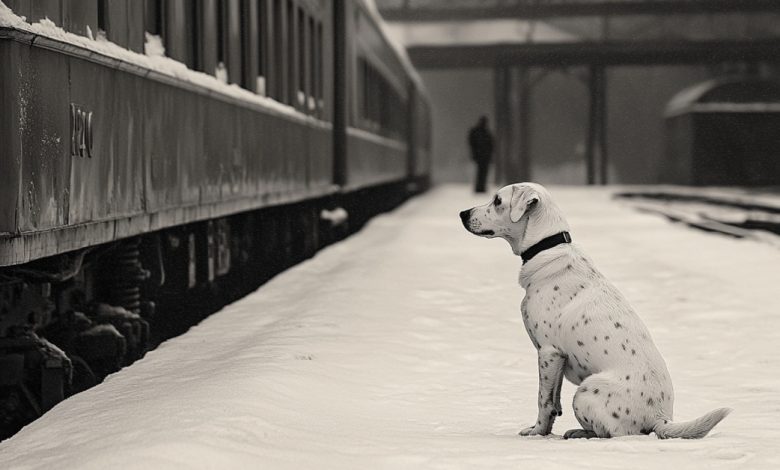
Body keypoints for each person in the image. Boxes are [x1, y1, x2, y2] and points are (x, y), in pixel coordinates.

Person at [468, 116, 494, 193]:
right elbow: (491, 144)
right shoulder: (485, 132)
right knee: (482, 172)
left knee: (480, 171)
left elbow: (471, 143)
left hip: (480, 155)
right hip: (483, 155)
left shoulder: (477, 132)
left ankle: (479, 187)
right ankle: (480, 187)